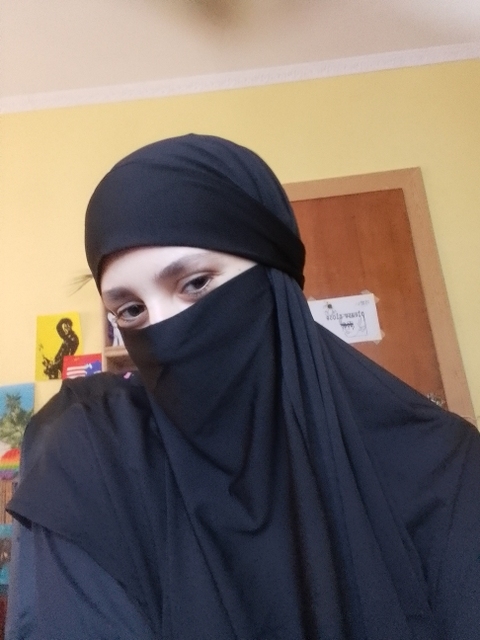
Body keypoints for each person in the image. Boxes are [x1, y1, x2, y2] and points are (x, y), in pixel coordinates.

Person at [6, 134, 480, 640]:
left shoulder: (441, 466)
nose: (163, 333)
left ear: (275, 277)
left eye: (195, 283)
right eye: (131, 310)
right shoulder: (96, 450)